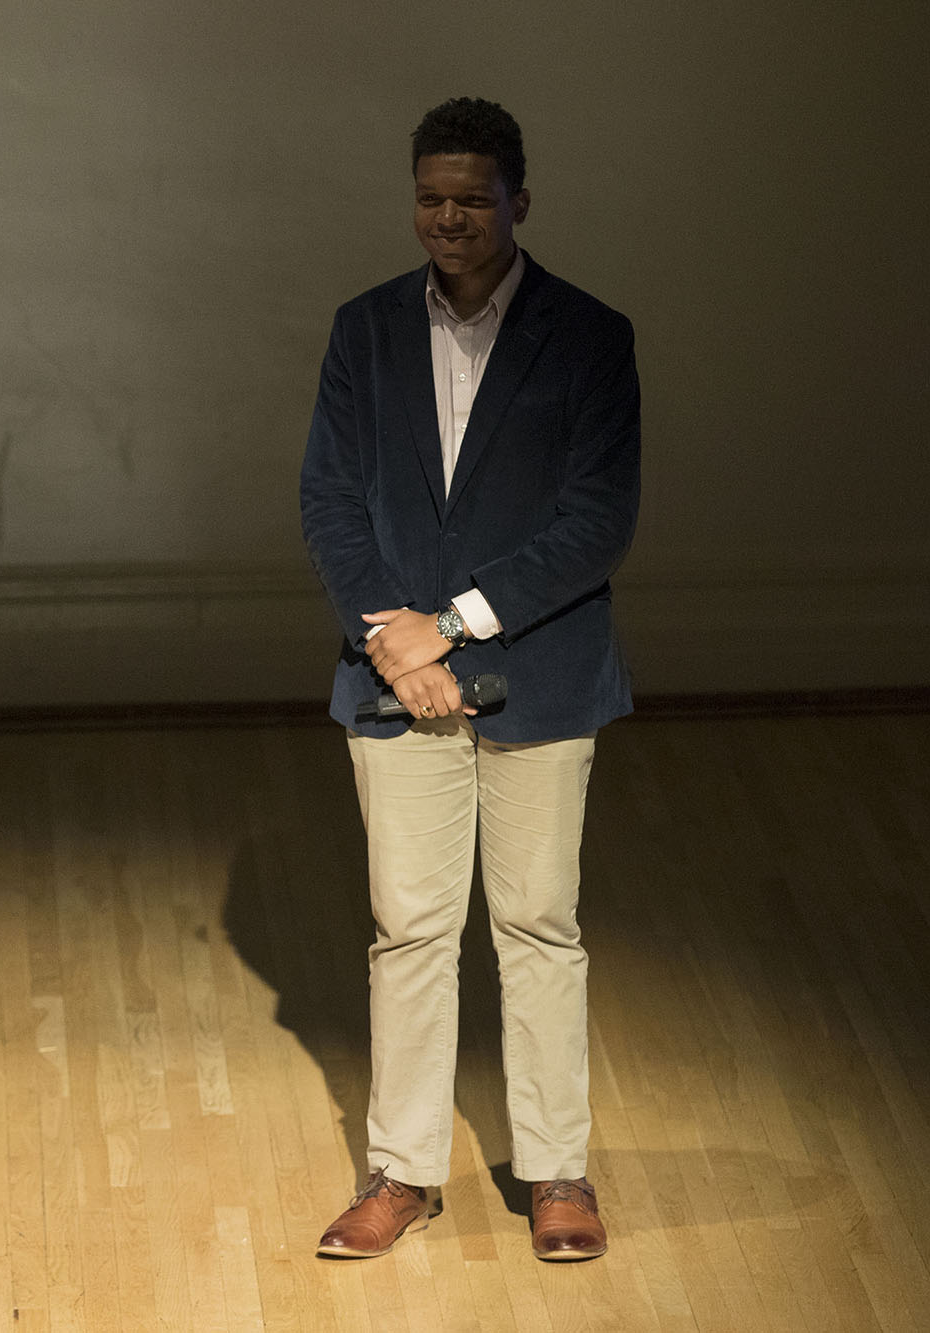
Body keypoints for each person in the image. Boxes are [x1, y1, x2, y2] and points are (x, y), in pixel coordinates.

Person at [298, 98, 639, 1262]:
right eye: (429, 198)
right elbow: (330, 503)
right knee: (409, 931)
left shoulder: (590, 335)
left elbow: (595, 522)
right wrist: (394, 641)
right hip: (391, 676)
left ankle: (553, 1172)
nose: (447, 218)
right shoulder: (364, 329)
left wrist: (444, 625)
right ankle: (400, 1173)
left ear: (517, 203)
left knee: (538, 925)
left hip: (536, 673)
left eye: (471, 198)